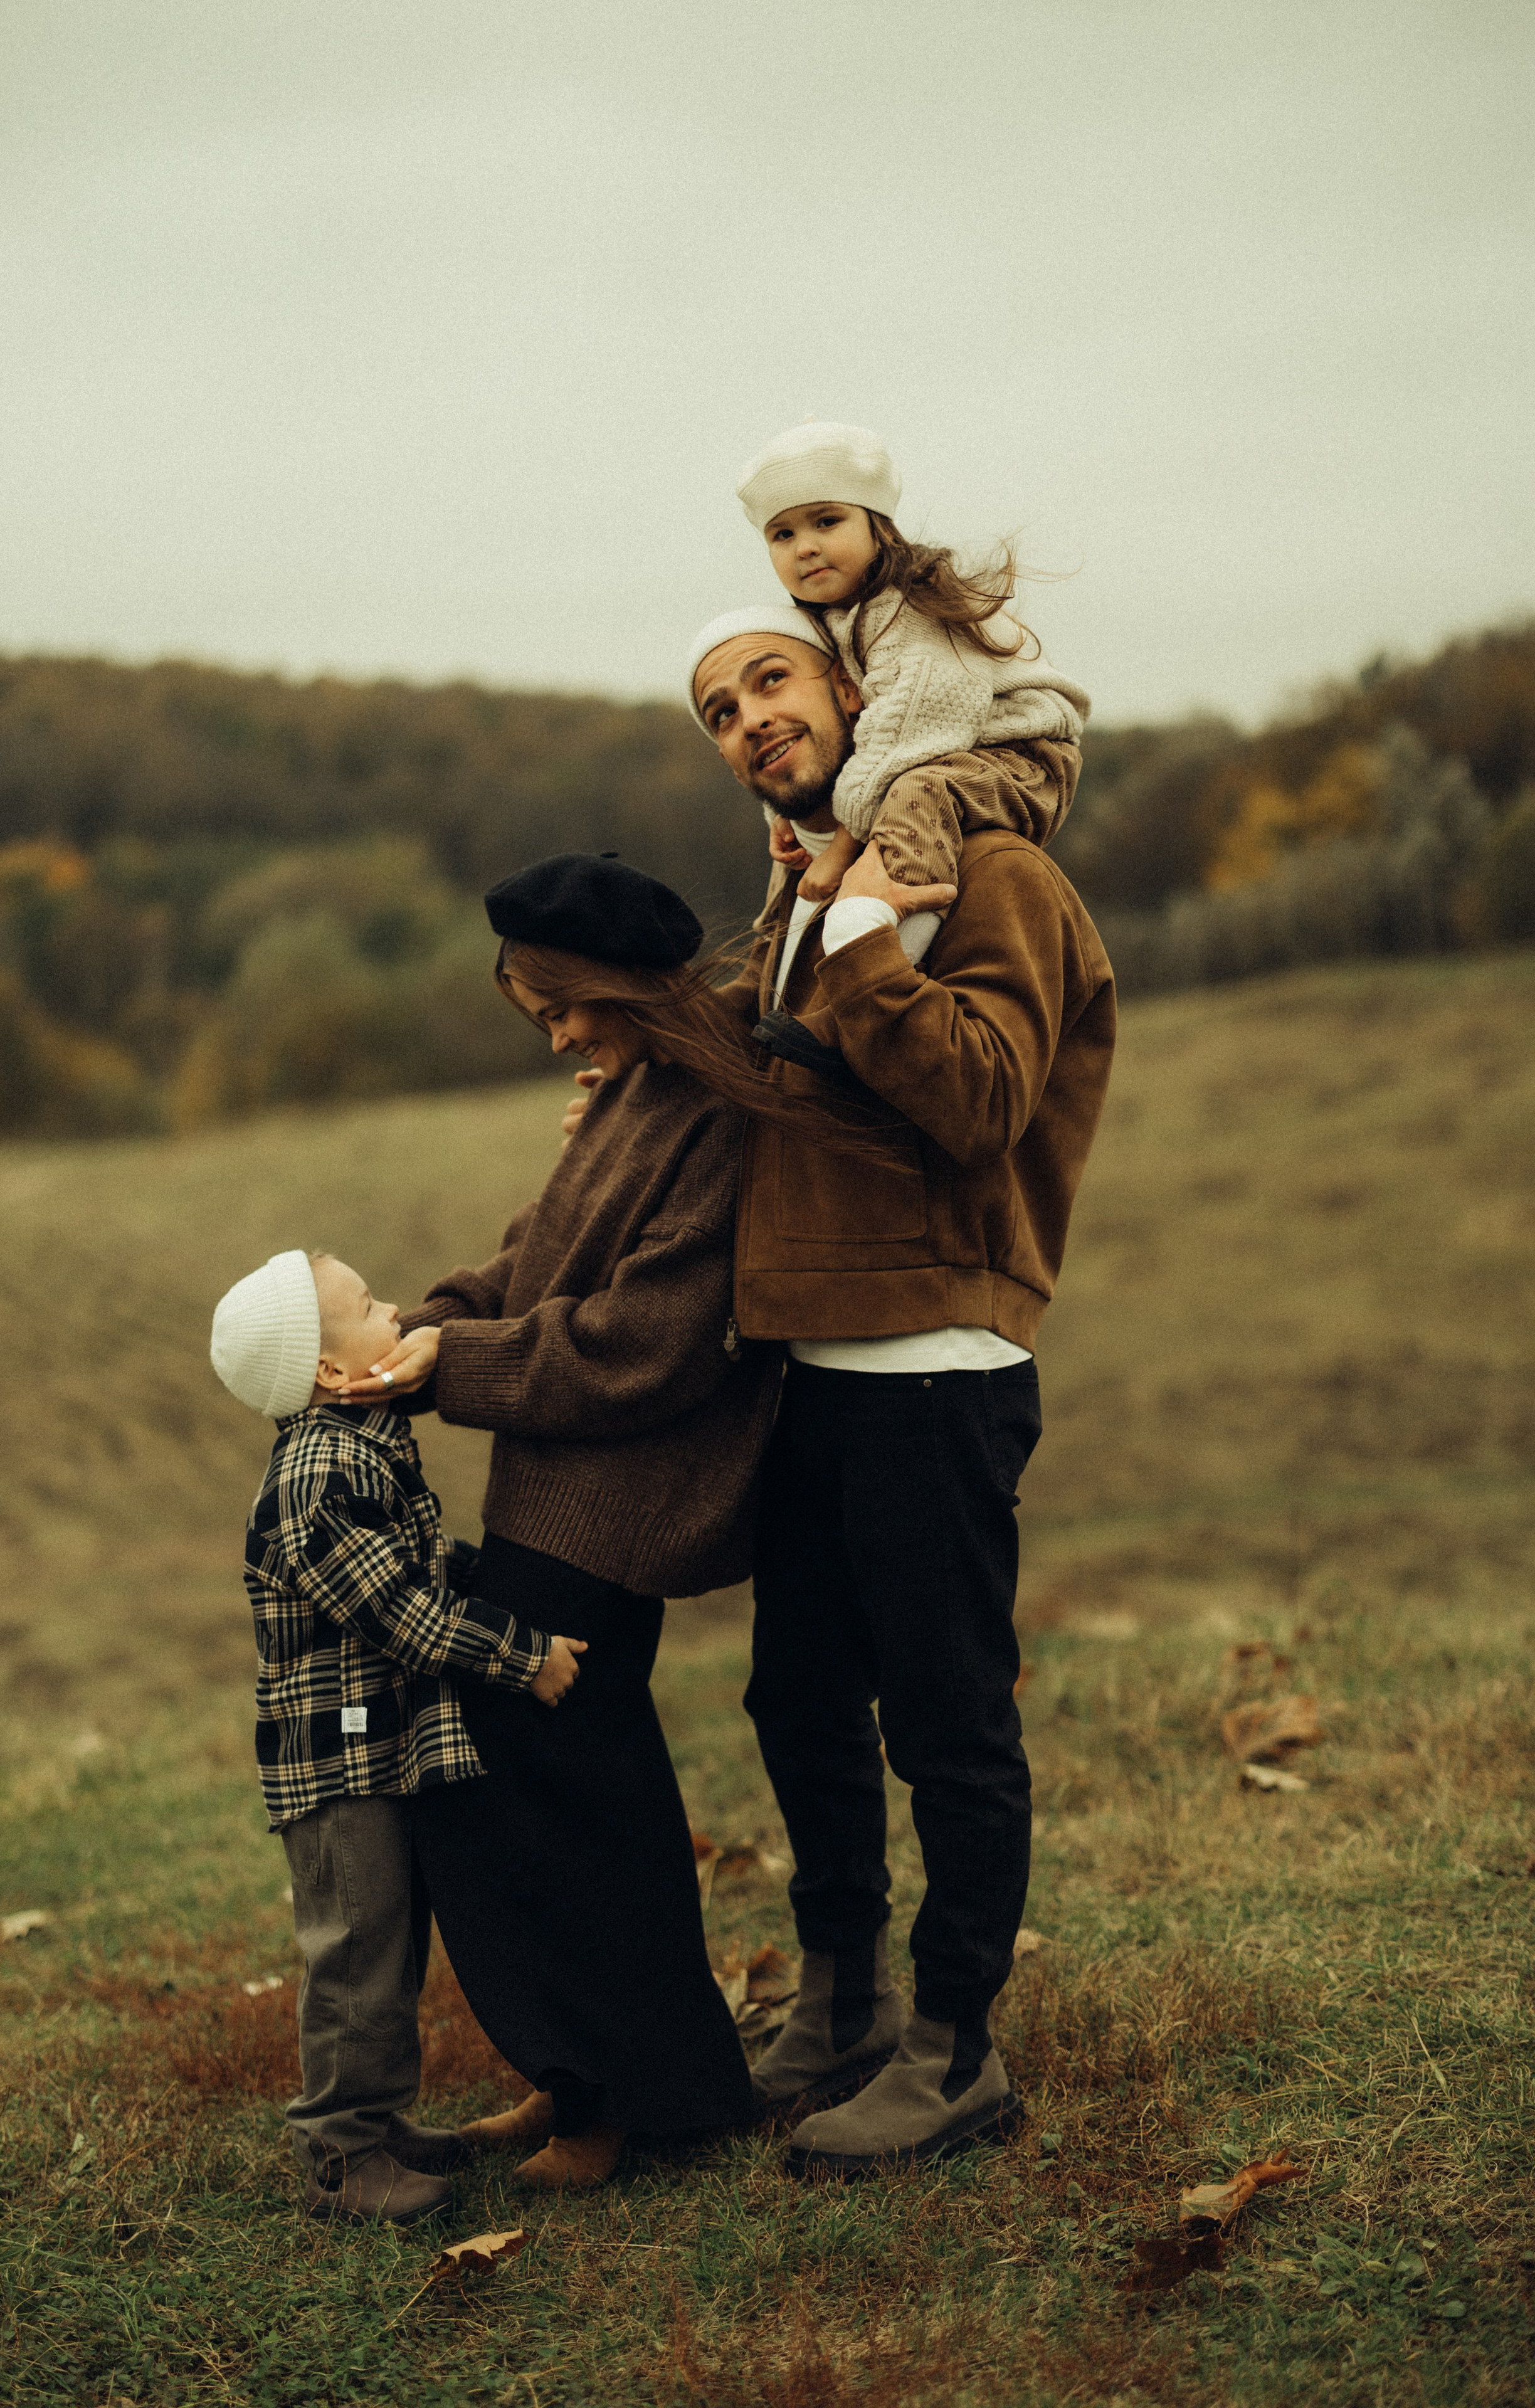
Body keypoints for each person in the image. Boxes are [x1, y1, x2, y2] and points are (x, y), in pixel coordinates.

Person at [682, 603, 1117, 2178]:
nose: (746, 719)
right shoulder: (805, 894)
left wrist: (866, 937)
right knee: (795, 1700)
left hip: (934, 1366)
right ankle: (842, 2001)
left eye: (770, 681)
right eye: (718, 709)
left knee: (944, 1725)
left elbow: (982, 1098)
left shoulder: (992, 877)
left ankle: (953, 2048)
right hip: (811, 1364)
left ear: (858, 694)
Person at [339, 854, 789, 2192]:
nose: (557, 1040)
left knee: (573, 1818)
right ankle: (590, 2080)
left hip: (613, 1511)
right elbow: (529, 1264)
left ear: (611, 985)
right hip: (551, 1499)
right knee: (531, 1801)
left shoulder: (712, 1112)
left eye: (560, 1011)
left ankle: (636, 2106)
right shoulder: (625, 1099)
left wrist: (445, 1369)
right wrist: (415, 1329)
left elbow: (642, 1346)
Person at [209, 1247, 583, 2224]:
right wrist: (521, 1650)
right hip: (337, 1764)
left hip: (373, 1749)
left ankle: (374, 2122)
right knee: (354, 1956)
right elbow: (402, 1611)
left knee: (388, 1950)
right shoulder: (319, 1473)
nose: (396, 1313)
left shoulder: (362, 1446)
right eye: (373, 1307)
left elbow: (422, 1560)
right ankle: (339, 2158)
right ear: (331, 1373)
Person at [731, 419, 1090, 948]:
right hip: (945, 754)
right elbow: (838, 728)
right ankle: (780, 944)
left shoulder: (909, 605)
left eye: (826, 521)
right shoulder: (832, 623)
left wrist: (841, 850)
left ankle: (894, 946)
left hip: (1021, 755)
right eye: (783, 535)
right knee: (836, 808)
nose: (805, 547)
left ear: (879, 525)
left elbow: (911, 735)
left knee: (917, 793)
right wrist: (786, 814)